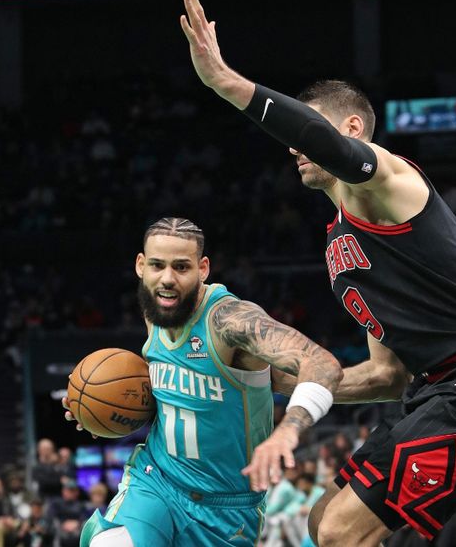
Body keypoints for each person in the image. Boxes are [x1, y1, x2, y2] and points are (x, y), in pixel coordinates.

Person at [181, 0, 456, 546]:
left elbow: (320, 141)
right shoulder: (339, 246)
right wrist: (279, 381)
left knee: (344, 532)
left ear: (349, 130)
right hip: (432, 386)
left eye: (313, 130)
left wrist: (226, 83)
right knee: (322, 520)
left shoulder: (390, 180)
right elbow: (385, 375)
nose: (295, 147)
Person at [66, 218, 343, 546]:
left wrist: (288, 430)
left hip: (226, 509)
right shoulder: (156, 308)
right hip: (157, 482)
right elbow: (173, 395)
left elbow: (322, 364)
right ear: (141, 266)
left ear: (203, 268)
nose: (167, 278)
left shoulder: (230, 321)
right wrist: (105, 412)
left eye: (181, 267)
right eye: (157, 265)